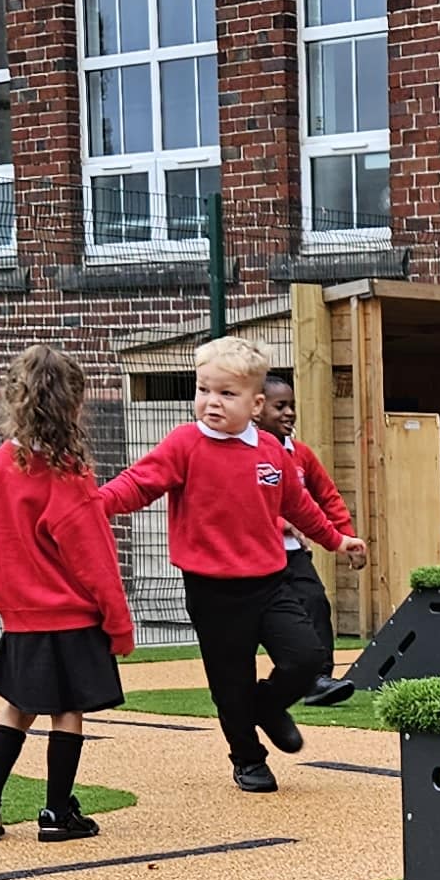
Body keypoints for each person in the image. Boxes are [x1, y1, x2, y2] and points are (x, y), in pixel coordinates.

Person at [102, 333, 356, 794]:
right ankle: (248, 758)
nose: (211, 402)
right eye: (203, 390)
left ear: (256, 403)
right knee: (229, 680)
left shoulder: (271, 452)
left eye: (226, 394)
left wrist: (337, 540)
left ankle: (267, 705)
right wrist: (94, 504)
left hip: (270, 581)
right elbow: (138, 484)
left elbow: (299, 506)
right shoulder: (183, 444)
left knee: (308, 656)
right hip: (212, 590)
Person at [0, 345, 130, 844]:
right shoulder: (69, 475)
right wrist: (118, 624)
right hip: (72, 617)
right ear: (74, 406)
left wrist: (8, 601)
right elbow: (95, 558)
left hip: (21, 617)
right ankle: (57, 812)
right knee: (67, 711)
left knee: (16, 706)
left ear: (13, 400)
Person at [256, 370, 351, 708]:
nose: (289, 413)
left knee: (315, 602)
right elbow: (249, 503)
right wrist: (283, 524)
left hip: (295, 555)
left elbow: (327, 497)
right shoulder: (245, 453)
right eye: (280, 406)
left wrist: (346, 538)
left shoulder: (301, 454)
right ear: (257, 408)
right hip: (257, 558)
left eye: (292, 406)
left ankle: (319, 679)